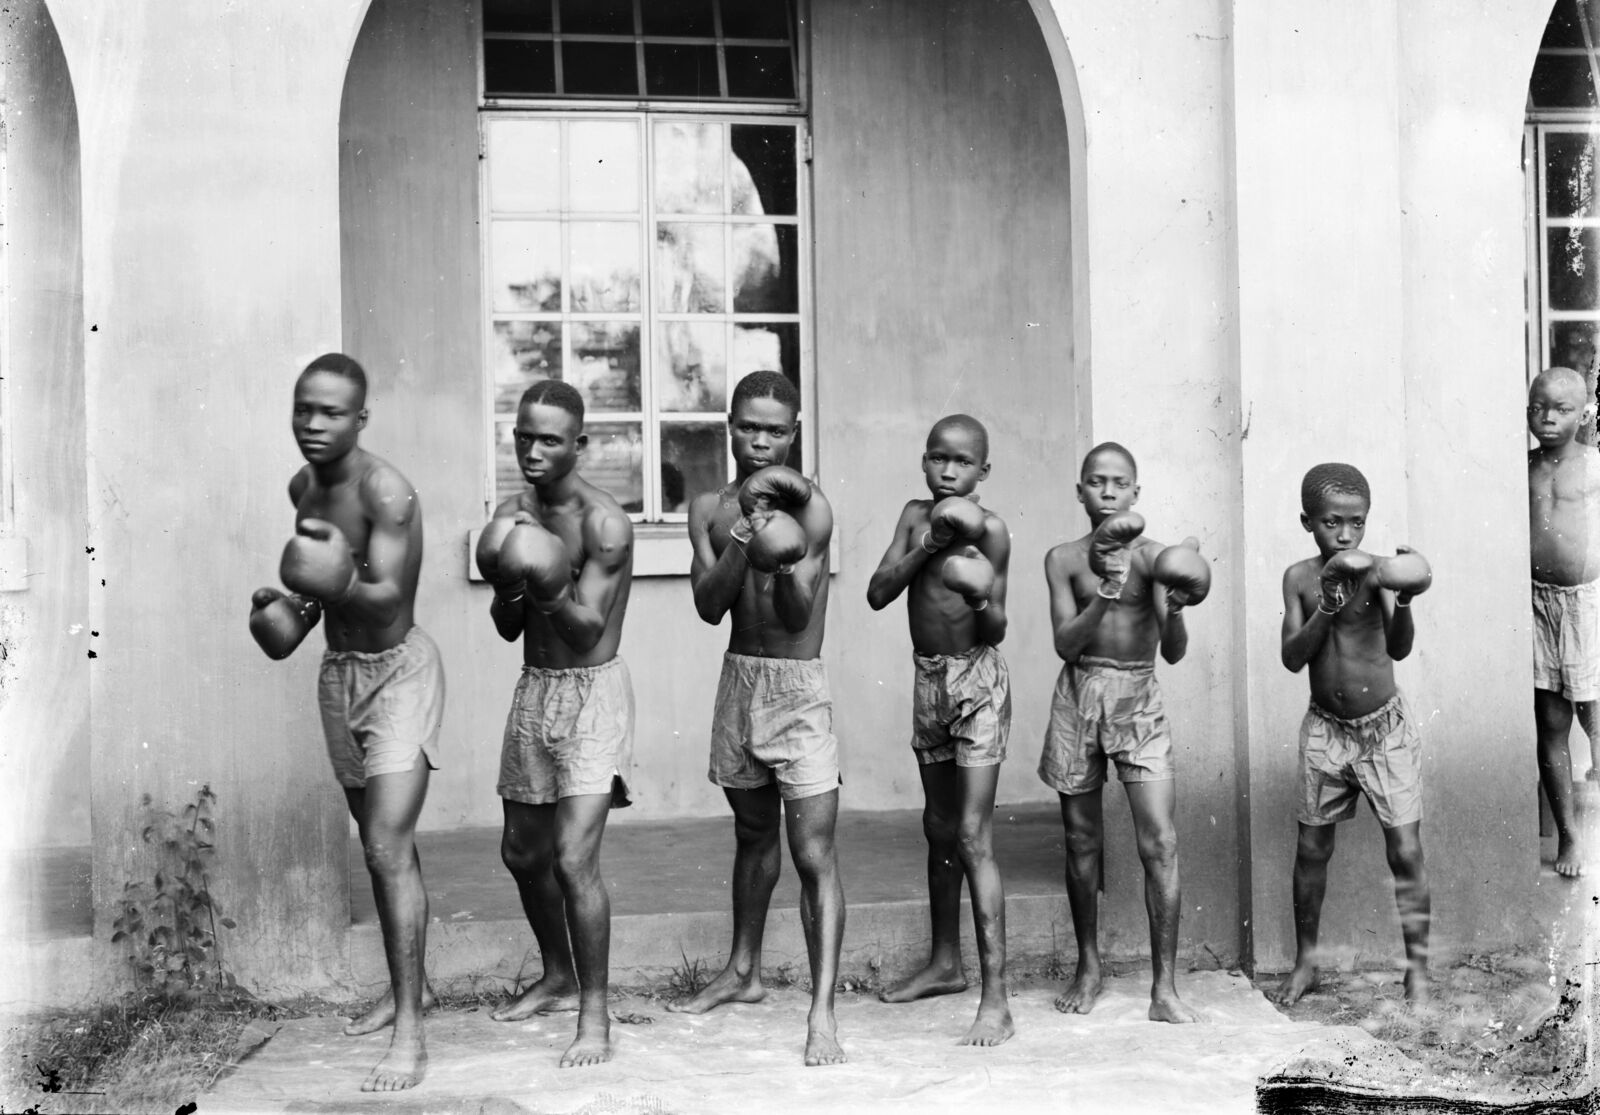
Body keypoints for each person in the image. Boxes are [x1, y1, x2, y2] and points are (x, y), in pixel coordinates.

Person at [249, 352, 442, 1092]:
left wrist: (336, 580)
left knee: (388, 844)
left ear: (361, 417)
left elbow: (387, 598)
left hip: (399, 672)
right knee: (379, 845)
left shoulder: (386, 490)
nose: (314, 424)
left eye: (331, 412)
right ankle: (408, 992)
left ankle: (411, 1033)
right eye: (304, 409)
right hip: (341, 676)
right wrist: (283, 611)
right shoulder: (302, 485)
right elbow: (313, 602)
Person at [668, 370, 847, 1068]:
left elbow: (801, 613)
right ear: (730, 426)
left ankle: (822, 1011)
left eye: (775, 428)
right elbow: (710, 606)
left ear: (794, 431)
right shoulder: (709, 509)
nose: (761, 439)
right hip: (740, 680)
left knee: (812, 853)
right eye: (749, 426)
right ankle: (744, 972)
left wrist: (780, 557)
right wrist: (744, 537)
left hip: (799, 689)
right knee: (751, 835)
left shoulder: (813, 509)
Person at [476, 379, 635, 1067]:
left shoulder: (605, 524)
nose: (532, 451)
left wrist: (549, 579)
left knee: (574, 858)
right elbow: (508, 625)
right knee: (522, 853)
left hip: (594, 691)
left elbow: (586, 627)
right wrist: (512, 585)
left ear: (580, 444)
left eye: (548, 439)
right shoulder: (512, 512)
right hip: (535, 688)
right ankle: (557, 971)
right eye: (522, 437)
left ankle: (595, 1015)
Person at [1039, 442, 1211, 1024]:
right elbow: (1066, 644)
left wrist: (1178, 608)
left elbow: (1175, 652)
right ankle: (1089, 967)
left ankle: (1164, 990)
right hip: (1079, 691)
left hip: (1138, 694)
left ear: (1136, 493)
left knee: (1159, 842)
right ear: (1080, 489)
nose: (1107, 491)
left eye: (1119, 483)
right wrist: (1107, 589)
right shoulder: (1063, 558)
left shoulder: (1158, 559)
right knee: (1081, 841)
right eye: (1096, 481)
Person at [865, 414, 1014, 1046]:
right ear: (924, 462)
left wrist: (980, 597)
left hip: (977, 681)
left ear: (983, 471)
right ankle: (946, 964)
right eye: (936, 458)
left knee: (974, 834)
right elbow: (876, 592)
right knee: (937, 828)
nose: (947, 470)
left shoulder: (995, 532)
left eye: (961, 462)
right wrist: (928, 545)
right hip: (928, 680)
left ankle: (998, 1001)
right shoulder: (911, 517)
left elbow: (998, 628)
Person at [1270, 463, 1434, 1005]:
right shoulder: (1299, 578)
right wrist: (1326, 607)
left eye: (1356, 523)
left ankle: (1418, 971)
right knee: (1312, 848)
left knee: (1405, 850)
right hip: (1325, 729)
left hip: (1383, 729)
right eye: (1331, 523)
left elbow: (1400, 647)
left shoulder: (1377, 572)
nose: (1344, 535)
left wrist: (1404, 598)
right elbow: (1293, 658)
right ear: (1307, 521)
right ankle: (1306, 963)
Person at [1528, 367, 1600, 878]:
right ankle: (1570, 838)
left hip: (1588, 603)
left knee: (1596, 720)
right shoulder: (1524, 467)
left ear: (1583, 414)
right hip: (1538, 603)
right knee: (1551, 724)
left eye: (1562, 409)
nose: (1549, 418)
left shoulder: (1594, 465)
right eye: (1538, 408)